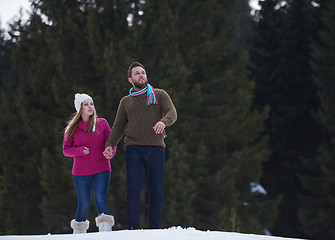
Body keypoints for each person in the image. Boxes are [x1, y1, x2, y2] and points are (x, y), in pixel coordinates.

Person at [103, 62, 177, 229]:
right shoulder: (125, 102)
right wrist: (110, 144)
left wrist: (163, 122)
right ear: (130, 79)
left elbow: (172, 113)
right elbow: (118, 127)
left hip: (156, 148)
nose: (141, 75)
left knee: (155, 190)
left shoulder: (159, 94)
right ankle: (132, 229)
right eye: (137, 73)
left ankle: (154, 229)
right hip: (133, 150)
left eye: (143, 72)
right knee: (133, 189)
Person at [63, 93, 117, 234]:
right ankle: (79, 232)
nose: (90, 107)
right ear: (79, 108)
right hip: (81, 172)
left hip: (102, 168)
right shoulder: (71, 128)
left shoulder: (102, 123)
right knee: (84, 203)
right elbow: (66, 150)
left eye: (91, 104)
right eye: (86, 104)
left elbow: (111, 143)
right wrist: (80, 150)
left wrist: (110, 152)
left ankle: (106, 230)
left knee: (100, 198)